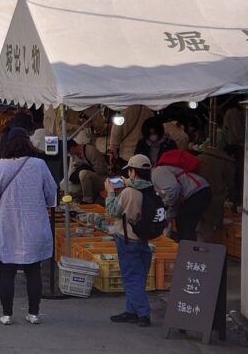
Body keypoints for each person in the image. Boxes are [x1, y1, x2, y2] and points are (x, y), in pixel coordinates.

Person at [0, 127, 57, 325]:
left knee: (7, 269)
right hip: (35, 223)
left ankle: (6, 314)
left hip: (7, 223)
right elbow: (51, 194)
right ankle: (33, 313)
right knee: (34, 269)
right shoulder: (39, 165)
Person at [105, 154, 163, 327]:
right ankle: (131, 312)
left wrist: (110, 192)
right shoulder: (151, 189)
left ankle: (143, 313)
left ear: (133, 172)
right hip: (144, 239)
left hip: (128, 239)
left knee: (131, 279)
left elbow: (113, 211)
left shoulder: (129, 192)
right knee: (138, 278)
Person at [153, 150, 211, 242]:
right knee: (184, 223)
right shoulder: (162, 173)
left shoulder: (157, 173)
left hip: (196, 192)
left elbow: (173, 190)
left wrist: (166, 206)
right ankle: (187, 250)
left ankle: (188, 252)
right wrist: (169, 215)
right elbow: (175, 195)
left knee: (184, 224)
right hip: (200, 190)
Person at [195, 145, 235, 242]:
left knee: (197, 225)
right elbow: (231, 183)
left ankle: (196, 249)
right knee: (209, 226)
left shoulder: (199, 158)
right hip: (214, 197)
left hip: (195, 194)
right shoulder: (226, 162)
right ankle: (207, 251)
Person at [64, 139, 110, 203]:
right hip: (85, 179)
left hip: (103, 179)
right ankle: (75, 198)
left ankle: (87, 200)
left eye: (68, 152)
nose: (69, 154)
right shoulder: (74, 156)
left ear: (72, 149)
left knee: (83, 173)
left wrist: (86, 168)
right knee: (64, 183)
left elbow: (101, 171)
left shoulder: (91, 151)